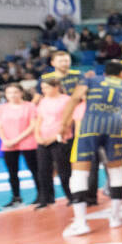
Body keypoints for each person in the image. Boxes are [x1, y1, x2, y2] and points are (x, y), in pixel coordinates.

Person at [59, 59, 122, 238]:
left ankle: (80, 223)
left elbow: (74, 99)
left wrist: (63, 124)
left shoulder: (91, 80)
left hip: (90, 127)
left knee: (79, 173)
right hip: (116, 129)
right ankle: (115, 218)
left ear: (105, 73)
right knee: (116, 172)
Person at [0, 83, 38, 207]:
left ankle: (42, 195)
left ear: (21, 93)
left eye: (15, 92)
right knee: (12, 172)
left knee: (34, 169)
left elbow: (33, 125)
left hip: (28, 142)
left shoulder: (30, 106)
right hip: (8, 144)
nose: (12, 95)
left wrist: (17, 139)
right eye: (9, 93)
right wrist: (5, 140)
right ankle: (16, 197)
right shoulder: (2, 108)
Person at [33, 74, 71, 208]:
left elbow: (69, 121)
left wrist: (55, 137)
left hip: (60, 139)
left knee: (63, 170)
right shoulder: (43, 101)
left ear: (56, 87)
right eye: (43, 88)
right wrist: (37, 136)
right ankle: (46, 198)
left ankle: (71, 196)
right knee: (43, 170)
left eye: (47, 88)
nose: (44, 91)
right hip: (43, 139)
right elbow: (39, 119)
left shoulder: (66, 100)